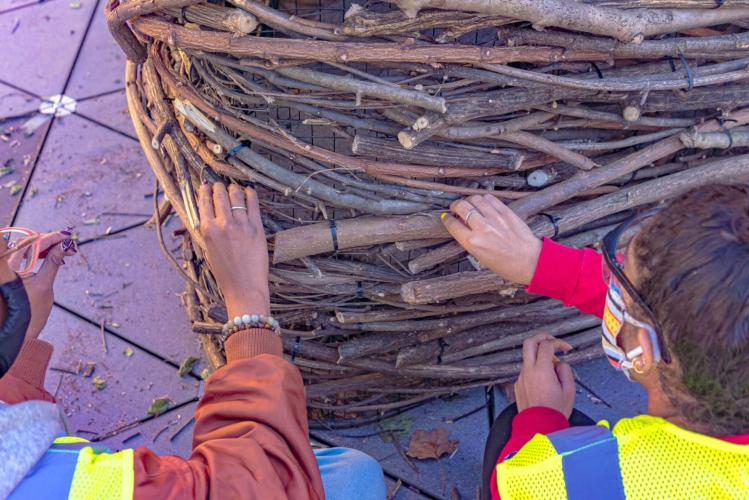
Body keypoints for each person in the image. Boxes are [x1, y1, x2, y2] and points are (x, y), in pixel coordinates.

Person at [0, 183, 387, 500]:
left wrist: (16, 342)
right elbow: (254, 487)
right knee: (352, 479)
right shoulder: (66, 488)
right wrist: (247, 300)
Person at [441, 185, 749, 499]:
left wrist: (540, 416)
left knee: (511, 425)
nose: (612, 285)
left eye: (619, 278)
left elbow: (510, 486)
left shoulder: (573, 479)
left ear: (642, 349)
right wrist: (541, 263)